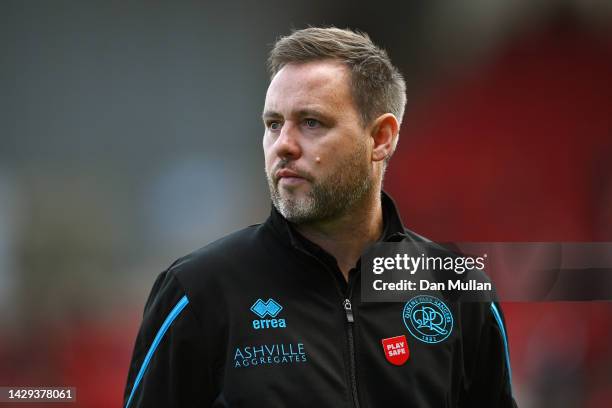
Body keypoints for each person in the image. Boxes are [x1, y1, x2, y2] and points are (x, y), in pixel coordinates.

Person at [124, 27, 517, 407]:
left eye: (311, 123)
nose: (283, 146)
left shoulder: (459, 289)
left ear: (381, 138)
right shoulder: (199, 290)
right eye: (273, 124)